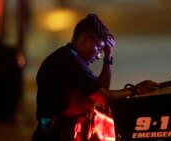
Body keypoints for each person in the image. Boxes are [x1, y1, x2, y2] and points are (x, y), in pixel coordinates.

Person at [32, 13, 158, 141]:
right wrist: (136, 90)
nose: (98, 56)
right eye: (98, 47)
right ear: (84, 39)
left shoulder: (71, 58)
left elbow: (101, 88)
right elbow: (102, 97)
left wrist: (108, 57)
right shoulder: (68, 61)